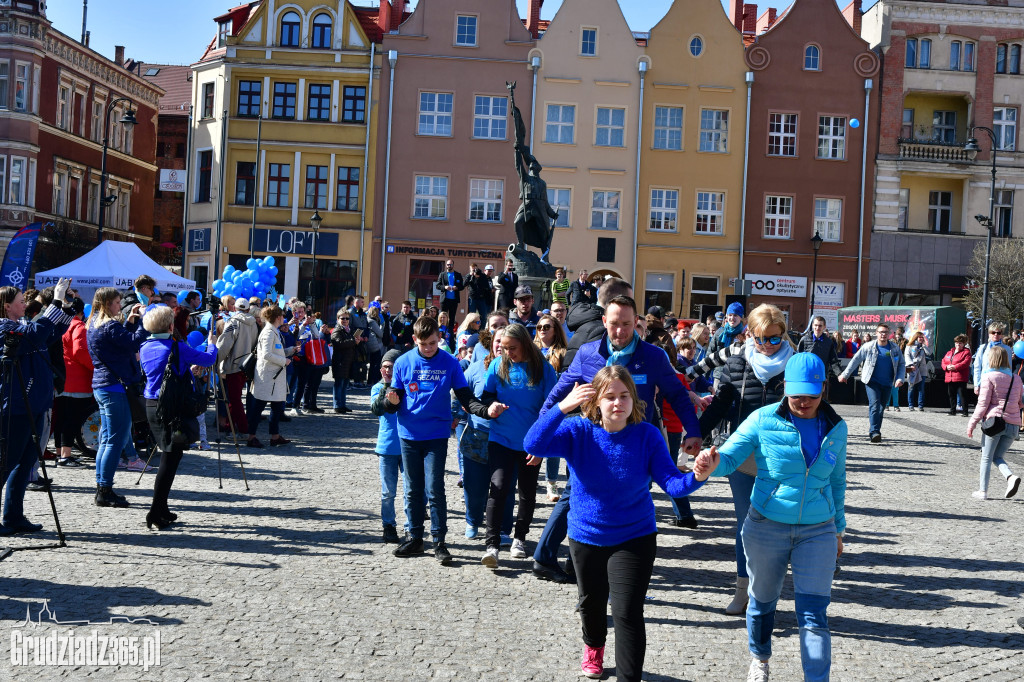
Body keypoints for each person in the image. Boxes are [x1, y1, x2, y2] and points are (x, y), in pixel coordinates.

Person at [524, 366, 709, 682]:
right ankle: (593, 647)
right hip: (586, 536)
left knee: (627, 613)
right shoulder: (578, 431)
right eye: (609, 396)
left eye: (624, 396)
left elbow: (673, 485)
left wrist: (698, 475)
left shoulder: (647, 435)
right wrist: (563, 406)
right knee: (591, 603)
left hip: (634, 536)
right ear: (595, 400)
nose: (617, 403)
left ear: (633, 400)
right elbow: (533, 444)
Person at [532, 294, 702, 585]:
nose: (620, 331)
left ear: (636, 322)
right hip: (591, 444)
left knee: (631, 499)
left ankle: (618, 568)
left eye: (626, 324)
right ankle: (551, 558)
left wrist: (694, 432)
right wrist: (540, 435)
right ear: (604, 322)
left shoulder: (652, 356)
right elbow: (558, 394)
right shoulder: (587, 353)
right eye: (614, 324)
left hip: (635, 445)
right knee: (575, 497)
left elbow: (676, 394)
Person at [699, 352, 847, 682]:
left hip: (818, 530)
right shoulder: (763, 419)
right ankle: (760, 658)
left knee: (814, 615)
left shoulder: (837, 427)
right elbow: (730, 458)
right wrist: (711, 464)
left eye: (811, 394)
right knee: (763, 602)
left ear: (824, 388)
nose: (804, 401)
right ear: (785, 387)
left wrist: (838, 528)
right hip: (766, 526)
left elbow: (837, 481)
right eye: (796, 394)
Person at [681, 303, 796, 616]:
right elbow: (719, 406)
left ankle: (767, 589)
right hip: (743, 456)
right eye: (761, 338)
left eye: (775, 339)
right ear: (750, 334)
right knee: (746, 525)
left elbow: (813, 408)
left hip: (782, 459)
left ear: (783, 334)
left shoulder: (796, 364)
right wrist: (695, 435)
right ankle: (743, 590)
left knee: (778, 525)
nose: (768, 345)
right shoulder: (736, 362)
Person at [384, 316, 506, 565]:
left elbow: (466, 397)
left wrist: (486, 410)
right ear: (415, 340)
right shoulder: (403, 362)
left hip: (436, 435)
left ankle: (439, 541)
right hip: (409, 434)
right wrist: (390, 402)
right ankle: (416, 537)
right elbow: (392, 398)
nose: (429, 348)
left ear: (439, 338)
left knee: (435, 488)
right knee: (412, 489)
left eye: (433, 342)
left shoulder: (450, 362)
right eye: (424, 343)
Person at [478, 323, 558, 567]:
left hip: (530, 442)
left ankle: (519, 538)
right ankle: (492, 544)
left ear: (525, 343)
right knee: (499, 487)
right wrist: (491, 406)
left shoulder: (542, 369)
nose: (507, 353)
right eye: (503, 348)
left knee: (527, 491)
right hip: (501, 437)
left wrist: (542, 445)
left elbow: (553, 408)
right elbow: (485, 396)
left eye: (512, 348)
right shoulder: (498, 364)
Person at [0, 279, 73, 535]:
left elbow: (50, 334)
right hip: (17, 407)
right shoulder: (3, 328)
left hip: (35, 404)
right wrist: (53, 301)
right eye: (21, 300)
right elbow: (35, 334)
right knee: (5, 464)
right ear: (7, 306)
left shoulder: (21, 324)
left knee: (26, 462)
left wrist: (65, 306)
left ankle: (13, 516)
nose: (25, 303)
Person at [139, 306, 218, 529]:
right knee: (170, 458)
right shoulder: (177, 347)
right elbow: (209, 358)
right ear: (171, 326)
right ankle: (155, 511)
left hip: (152, 404)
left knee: (170, 455)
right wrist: (212, 341)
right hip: (172, 406)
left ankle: (162, 508)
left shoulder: (145, 345)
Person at [87, 287, 150, 507]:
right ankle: (104, 489)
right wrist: (142, 321)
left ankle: (102, 486)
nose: (119, 305)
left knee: (106, 439)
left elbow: (119, 342)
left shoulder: (94, 323)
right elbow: (133, 343)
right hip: (114, 387)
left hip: (103, 385)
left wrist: (130, 323)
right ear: (106, 304)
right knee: (115, 440)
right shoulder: (109, 325)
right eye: (115, 302)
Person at [967, 346, 1023, 500]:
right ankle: (1010, 477)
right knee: (997, 457)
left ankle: (983, 491)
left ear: (991, 359)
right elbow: (1020, 402)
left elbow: (983, 404)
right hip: (1013, 424)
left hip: (994, 423)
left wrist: (972, 423)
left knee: (986, 457)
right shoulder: (1016, 378)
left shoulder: (989, 377)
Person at [839, 323, 906, 443]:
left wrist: (900, 378)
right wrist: (845, 374)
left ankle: (876, 430)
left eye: (885, 332)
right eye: (881, 332)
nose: (883, 335)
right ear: (876, 333)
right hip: (871, 381)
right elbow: (856, 360)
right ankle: (874, 432)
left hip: (888, 382)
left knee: (881, 408)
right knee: (874, 405)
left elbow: (901, 364)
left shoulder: (894, 348)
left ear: (889, 334)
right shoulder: (868, 346)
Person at [370, 349, 407, 543]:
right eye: (385, 367)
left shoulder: (407, 386)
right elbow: (376, 409)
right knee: (388, 492)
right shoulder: (377, 388)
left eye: (391, 367)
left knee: (411, 491)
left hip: (408, 446)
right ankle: (389, 526)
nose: (387, 371)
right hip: (387, 446)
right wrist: (386, 386)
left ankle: (411, 527)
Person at [246, 306, 294, 447]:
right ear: (277, 317)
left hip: (274, 377)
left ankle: (275, 436)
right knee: (258, 408)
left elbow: (275, 351)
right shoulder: (268, 332)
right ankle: (251, 437)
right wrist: (283, 361)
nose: (284, 318)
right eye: (282, 316)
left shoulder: (273, 331)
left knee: (277, 407)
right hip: (268, 377)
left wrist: (290, 351)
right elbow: (265, 354)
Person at [54, 297, 93, 469]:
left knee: (61, 418)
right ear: (81, 311)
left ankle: (60, 454)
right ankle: (66, 456)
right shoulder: (78, 326)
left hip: (62, 377)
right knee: (73, 418)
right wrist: (95, 367)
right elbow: (80, 351)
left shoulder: (59, 324)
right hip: (77, 379)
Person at [535, 313, 568, 501]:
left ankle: (552, 483)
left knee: (552, 444)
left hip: (554, 404)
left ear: (555, 330)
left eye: (546, 327)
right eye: (539, 327)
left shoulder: (563, 352)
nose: (542, 330)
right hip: (533, 403)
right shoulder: (531, 350)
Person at [215, 297, 259, 434]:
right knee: (236, 398)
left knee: (234, 399)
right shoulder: (254, 323)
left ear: (235, 309)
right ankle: (231, 424)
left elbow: (224, 345)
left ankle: (243, 427)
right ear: (247, 309)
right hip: (247, 365)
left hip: (234, 365)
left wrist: (215, 361)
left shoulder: (233, 322)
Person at [798, 316, 841, 399]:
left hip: (821, 376)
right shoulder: (804, 339)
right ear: (812, 326)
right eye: (816, 325)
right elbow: (798, 358)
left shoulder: (828, 342)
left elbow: (833, 360)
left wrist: (839, 374)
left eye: (820, 326)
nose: (817, 328)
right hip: (806, 376)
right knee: (806, 400)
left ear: (824, 327)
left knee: (821, 400)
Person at [330, 308, 359, 415]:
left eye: (347, 318)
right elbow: (338, 343)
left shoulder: (348, 330)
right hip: (340, 361)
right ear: (338, 319)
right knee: (339, 383)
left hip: (347, 361)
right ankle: (337, 405)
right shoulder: (337, 330)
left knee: (344, 383)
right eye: (343, 318)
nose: (345, 320)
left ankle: (342, 404)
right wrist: (353, 341)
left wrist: (356, 341)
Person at [973, 322, 1013, 395]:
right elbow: (977, 367)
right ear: (989, 334)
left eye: (998, 333)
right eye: (993, 332)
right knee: (984, 404)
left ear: (1001, 334)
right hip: (985, 383)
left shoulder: (1007, 349)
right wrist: (976, 384)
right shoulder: (983, 348)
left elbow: (1009, 367)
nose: (996, 335)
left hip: (1002, 384)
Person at [942, 334, 972, 416]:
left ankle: (965, 411)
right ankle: (952, 410)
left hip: (961, 377)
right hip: (950, 376)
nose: (958, 345)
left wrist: (955, 367)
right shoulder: (949, 352)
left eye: (960, 343)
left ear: (964, 344)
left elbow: (965, 363)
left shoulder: (966, 352)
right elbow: (943, 361)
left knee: (962, 395)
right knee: (951, 394)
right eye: (957, 343)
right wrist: (946, 367)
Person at [903, 331, 931, 411]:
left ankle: (920, 405)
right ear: (916, 337)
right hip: (912, 369)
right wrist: (911, 365)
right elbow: (907, 356)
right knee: (911, 387)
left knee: (921, 388)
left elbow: (929, 353)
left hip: (922, 370)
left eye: (922, 337)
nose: (921, 339)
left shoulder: (923, 347)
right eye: (920, 337)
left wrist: (924, 346)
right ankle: (911, 405)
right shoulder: (909, 346)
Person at [365, 305, 385, 384]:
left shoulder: (366, 320)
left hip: (369, 343)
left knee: (372, 363)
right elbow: (380, 334)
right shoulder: (372, 322)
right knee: (376, 363)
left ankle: (370, 381)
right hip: (374, 344)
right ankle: (373, 380)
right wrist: (382, 328)